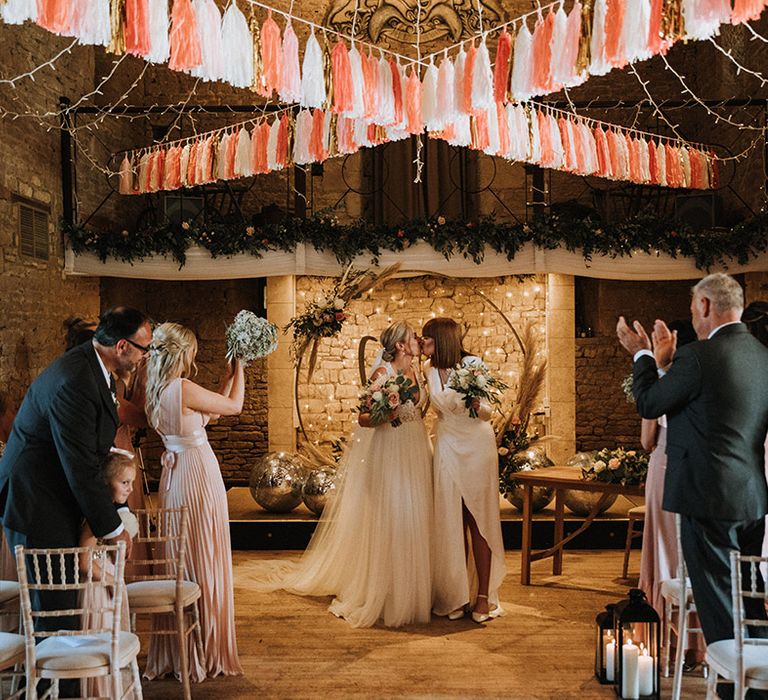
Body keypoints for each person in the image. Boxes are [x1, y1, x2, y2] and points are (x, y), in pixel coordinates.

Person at [617, 273, 768, 700]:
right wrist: (666, 363)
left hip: (706, 497)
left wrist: (642, 354)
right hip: (753, 497)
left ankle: (740, 692)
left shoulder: (699, 357)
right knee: (749, 597)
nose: (693, 319)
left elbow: (650, 403)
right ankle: (756, 679)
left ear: (705, 306)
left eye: (692, 310)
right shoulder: (762, 356)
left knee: (719, 604)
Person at [0, 306, 148, 695]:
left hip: (53, 498)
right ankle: (54, 692)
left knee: (63, 612)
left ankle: (63, 691)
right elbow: (79, 464)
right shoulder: (76, 379)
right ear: (121, 346)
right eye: (143, 349)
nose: (145, 356)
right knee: (55, 620)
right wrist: (114, 528)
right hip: (38, 504)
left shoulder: (95, 370)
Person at [252, 321, 433, 628]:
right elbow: (364, 419)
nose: (417, 339)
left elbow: (419, 409)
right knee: (392, 513)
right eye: (412, 336)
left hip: (416, 447)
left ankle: (416, 588)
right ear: (400, 345)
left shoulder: (419, 372)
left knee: (414, 512)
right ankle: (387, 591)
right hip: (391, 450)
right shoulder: (382, 375)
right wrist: (389, 412)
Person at [143, 322, 244, 680]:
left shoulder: (156, 389)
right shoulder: (183, 387)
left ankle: (185, 646)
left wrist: (227, 375)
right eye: (192, 351)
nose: (194, 357)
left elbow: (210, 412)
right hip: (199, 474)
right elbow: (234, 407)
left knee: (184, 554)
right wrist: (243, 368)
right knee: (206, 551)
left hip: (175, 479)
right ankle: (208, 644)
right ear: (183, 353)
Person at [421, 318, 506, 623]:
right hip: (446, 443)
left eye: (427, 339)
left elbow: (487, 412)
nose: (422, 344)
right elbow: (432, 405)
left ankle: (483, 595)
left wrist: (472, 401)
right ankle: (454, 593)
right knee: (450, 520)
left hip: (476, 446)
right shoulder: (429, 370)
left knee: (478, 518)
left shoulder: (474, 363)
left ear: (442, 340)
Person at [636, 319, 704, 667]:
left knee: (663, 553)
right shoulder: (703, 380)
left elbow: (648, 441)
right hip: (699, 474)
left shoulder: (661, 384)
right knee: (692, 555)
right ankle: (700, 645)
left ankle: (668, 643)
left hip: (664, 470)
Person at [79, 449, 137, 699]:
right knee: (102, 639)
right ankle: (100, 692)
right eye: (124, 483)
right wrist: (112, 581)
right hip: (96, 588)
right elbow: (84, 561)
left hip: (107, 580)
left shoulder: (110, 515)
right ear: (105, 482)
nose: (130, 489)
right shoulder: (95, 517)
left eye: (132, 483)